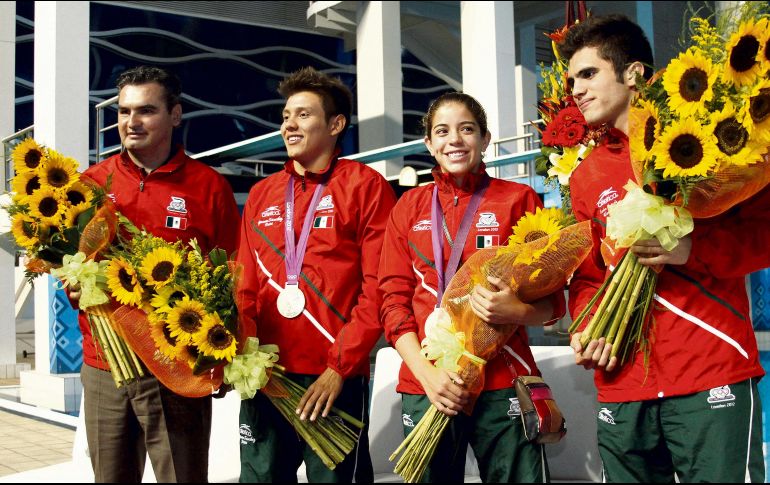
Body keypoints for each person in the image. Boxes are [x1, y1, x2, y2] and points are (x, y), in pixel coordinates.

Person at [561, 15, 770, 482]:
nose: (576, 89)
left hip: (709, 367)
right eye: (572, 79)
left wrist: (691, 248)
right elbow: (589, 273)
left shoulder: (711, 145)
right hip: (623, 380)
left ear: (634, 73)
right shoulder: (586, 176)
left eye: (589, 74)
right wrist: (587, 325)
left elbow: (763, 236)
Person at [378, 92, 565, 483]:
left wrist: (516, 312)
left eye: (467, 129)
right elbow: (392, 305)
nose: (455, 140)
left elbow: (553, 302)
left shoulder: (518, 200)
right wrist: (427, 377)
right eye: (442, 131)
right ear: (429, 144)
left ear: (485, 138)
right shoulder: (408, 207)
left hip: (504, 381)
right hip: (430, 382)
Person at [73, 65, 240, 482]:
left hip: (176, 367)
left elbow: (233, 277)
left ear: (176, 115)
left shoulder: (207, 187)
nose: (132, 122)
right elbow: (69, 265)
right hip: (104, 364)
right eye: (125, 111)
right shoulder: (90, 184)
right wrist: (75, 286)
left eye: (146, 110)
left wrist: (222, 353)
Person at [235, 66, 397, 482]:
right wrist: (240, 352)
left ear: (336, 124)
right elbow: (245, 284)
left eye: (304, 115)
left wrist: (339, 368)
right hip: (267, 375)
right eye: (286, 115)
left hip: (331, 379)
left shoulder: (365, 186)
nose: (290, 123)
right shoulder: (262, 194)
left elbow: (377, 287)